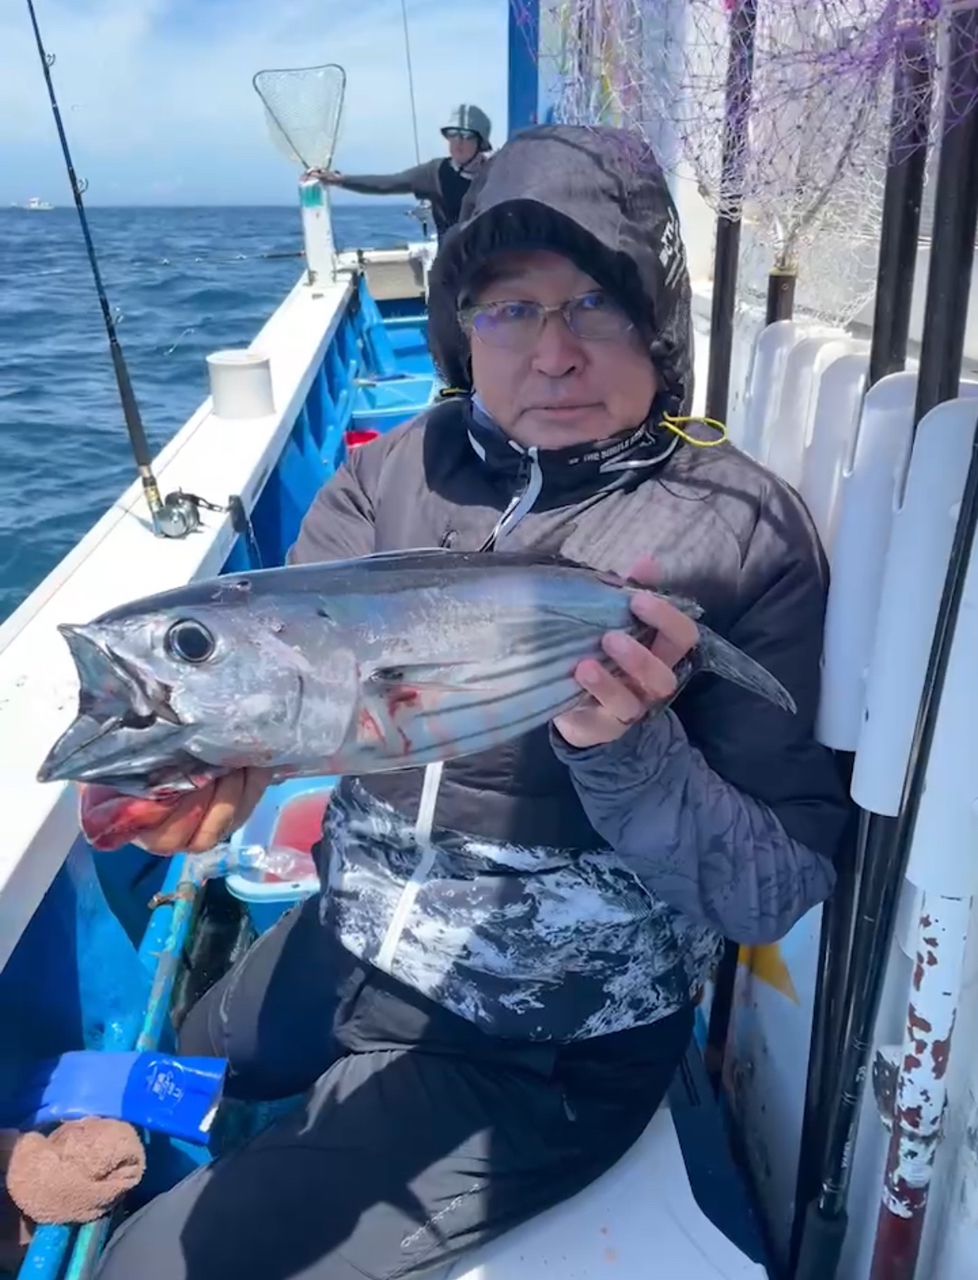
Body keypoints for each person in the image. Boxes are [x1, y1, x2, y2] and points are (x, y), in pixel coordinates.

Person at [93, 123, 848, 1280]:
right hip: (352, 942)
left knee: (154, 1266)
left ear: (658, 321)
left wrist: (630, 753)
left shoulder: (740, 534)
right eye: (507, 308)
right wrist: (215, 758)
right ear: (460, 327)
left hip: (541, 1049)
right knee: (166, 1073)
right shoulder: (389, 471)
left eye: (594, 302)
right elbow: (298, 697)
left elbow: (772, 889)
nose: (552, 354)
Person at [310, 104, 492, 240]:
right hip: (451, 265)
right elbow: (388, 183)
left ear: (480, 143)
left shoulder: (497, 173)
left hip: (490, 263)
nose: (458, 142)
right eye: (452, 133)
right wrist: (339, 180)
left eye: (467, 135)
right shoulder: (435, 172)